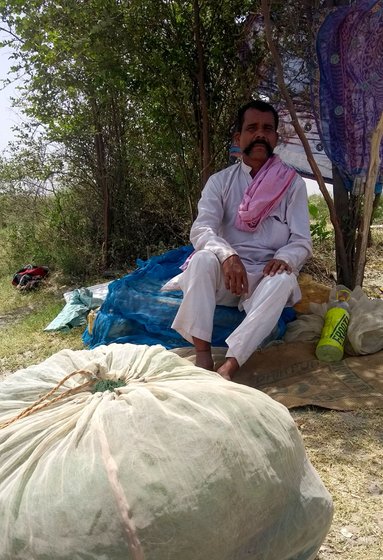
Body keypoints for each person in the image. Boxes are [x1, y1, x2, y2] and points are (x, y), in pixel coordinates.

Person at [171, 100, 312, 380]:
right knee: (200, 259)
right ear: (239, 138)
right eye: (252, 128)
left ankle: (230, 365)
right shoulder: (219, 182)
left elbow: (301, 241)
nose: (260, 134)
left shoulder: (292, 184)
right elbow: (202, 229)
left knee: (285, 280)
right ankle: (203, 355)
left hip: (264, 277)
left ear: (275, 138)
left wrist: (284, 258)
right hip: (227, 275)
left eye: (267, 129)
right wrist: (227, 255)